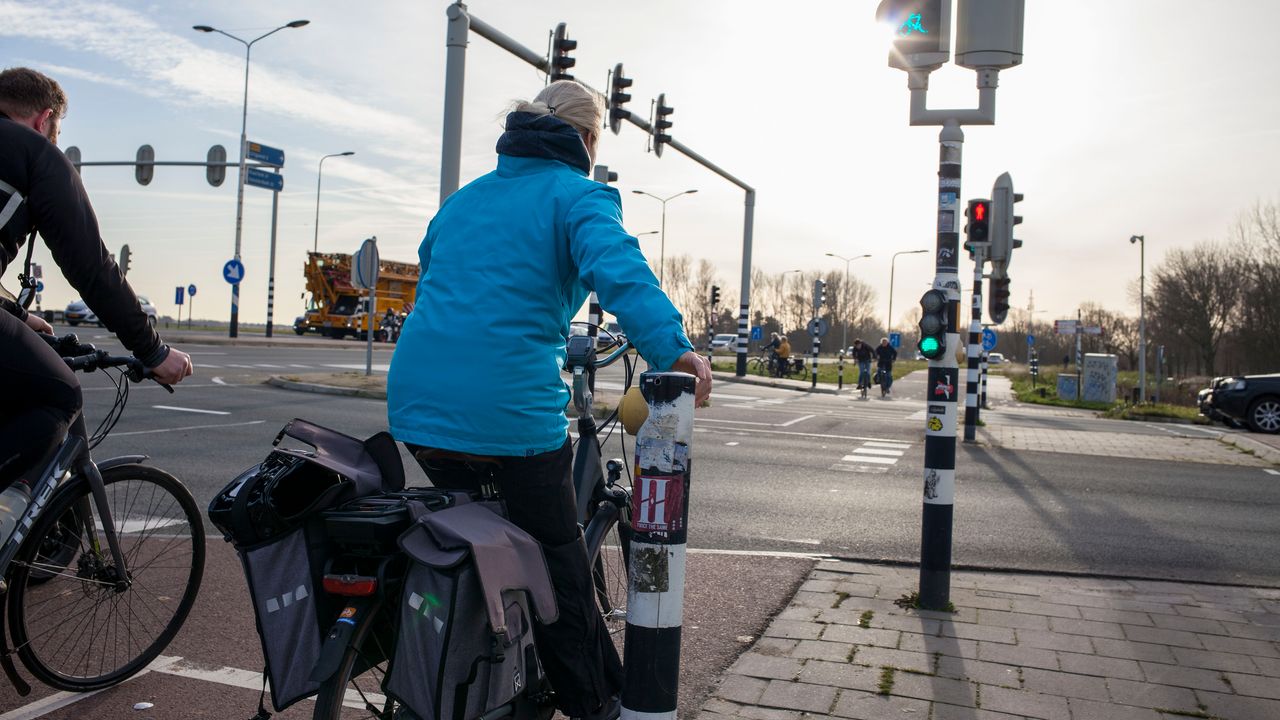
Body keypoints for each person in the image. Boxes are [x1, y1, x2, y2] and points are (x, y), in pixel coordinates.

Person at [386, 80, 711, 720]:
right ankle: (598, 705)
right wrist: (675, 350)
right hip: (505, 409)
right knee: (558, 571)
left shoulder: (463, 201)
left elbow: (445, 282)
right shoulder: (578, 197)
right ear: (587, 140)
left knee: (474, 535)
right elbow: (620, 271)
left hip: (417, 402)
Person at [0, 67, 192, 493]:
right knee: (59, 396)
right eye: (56, 129)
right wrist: (153, 350)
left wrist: (13, 312)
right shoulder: (36, 154)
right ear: (44, 119)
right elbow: (91, 266)